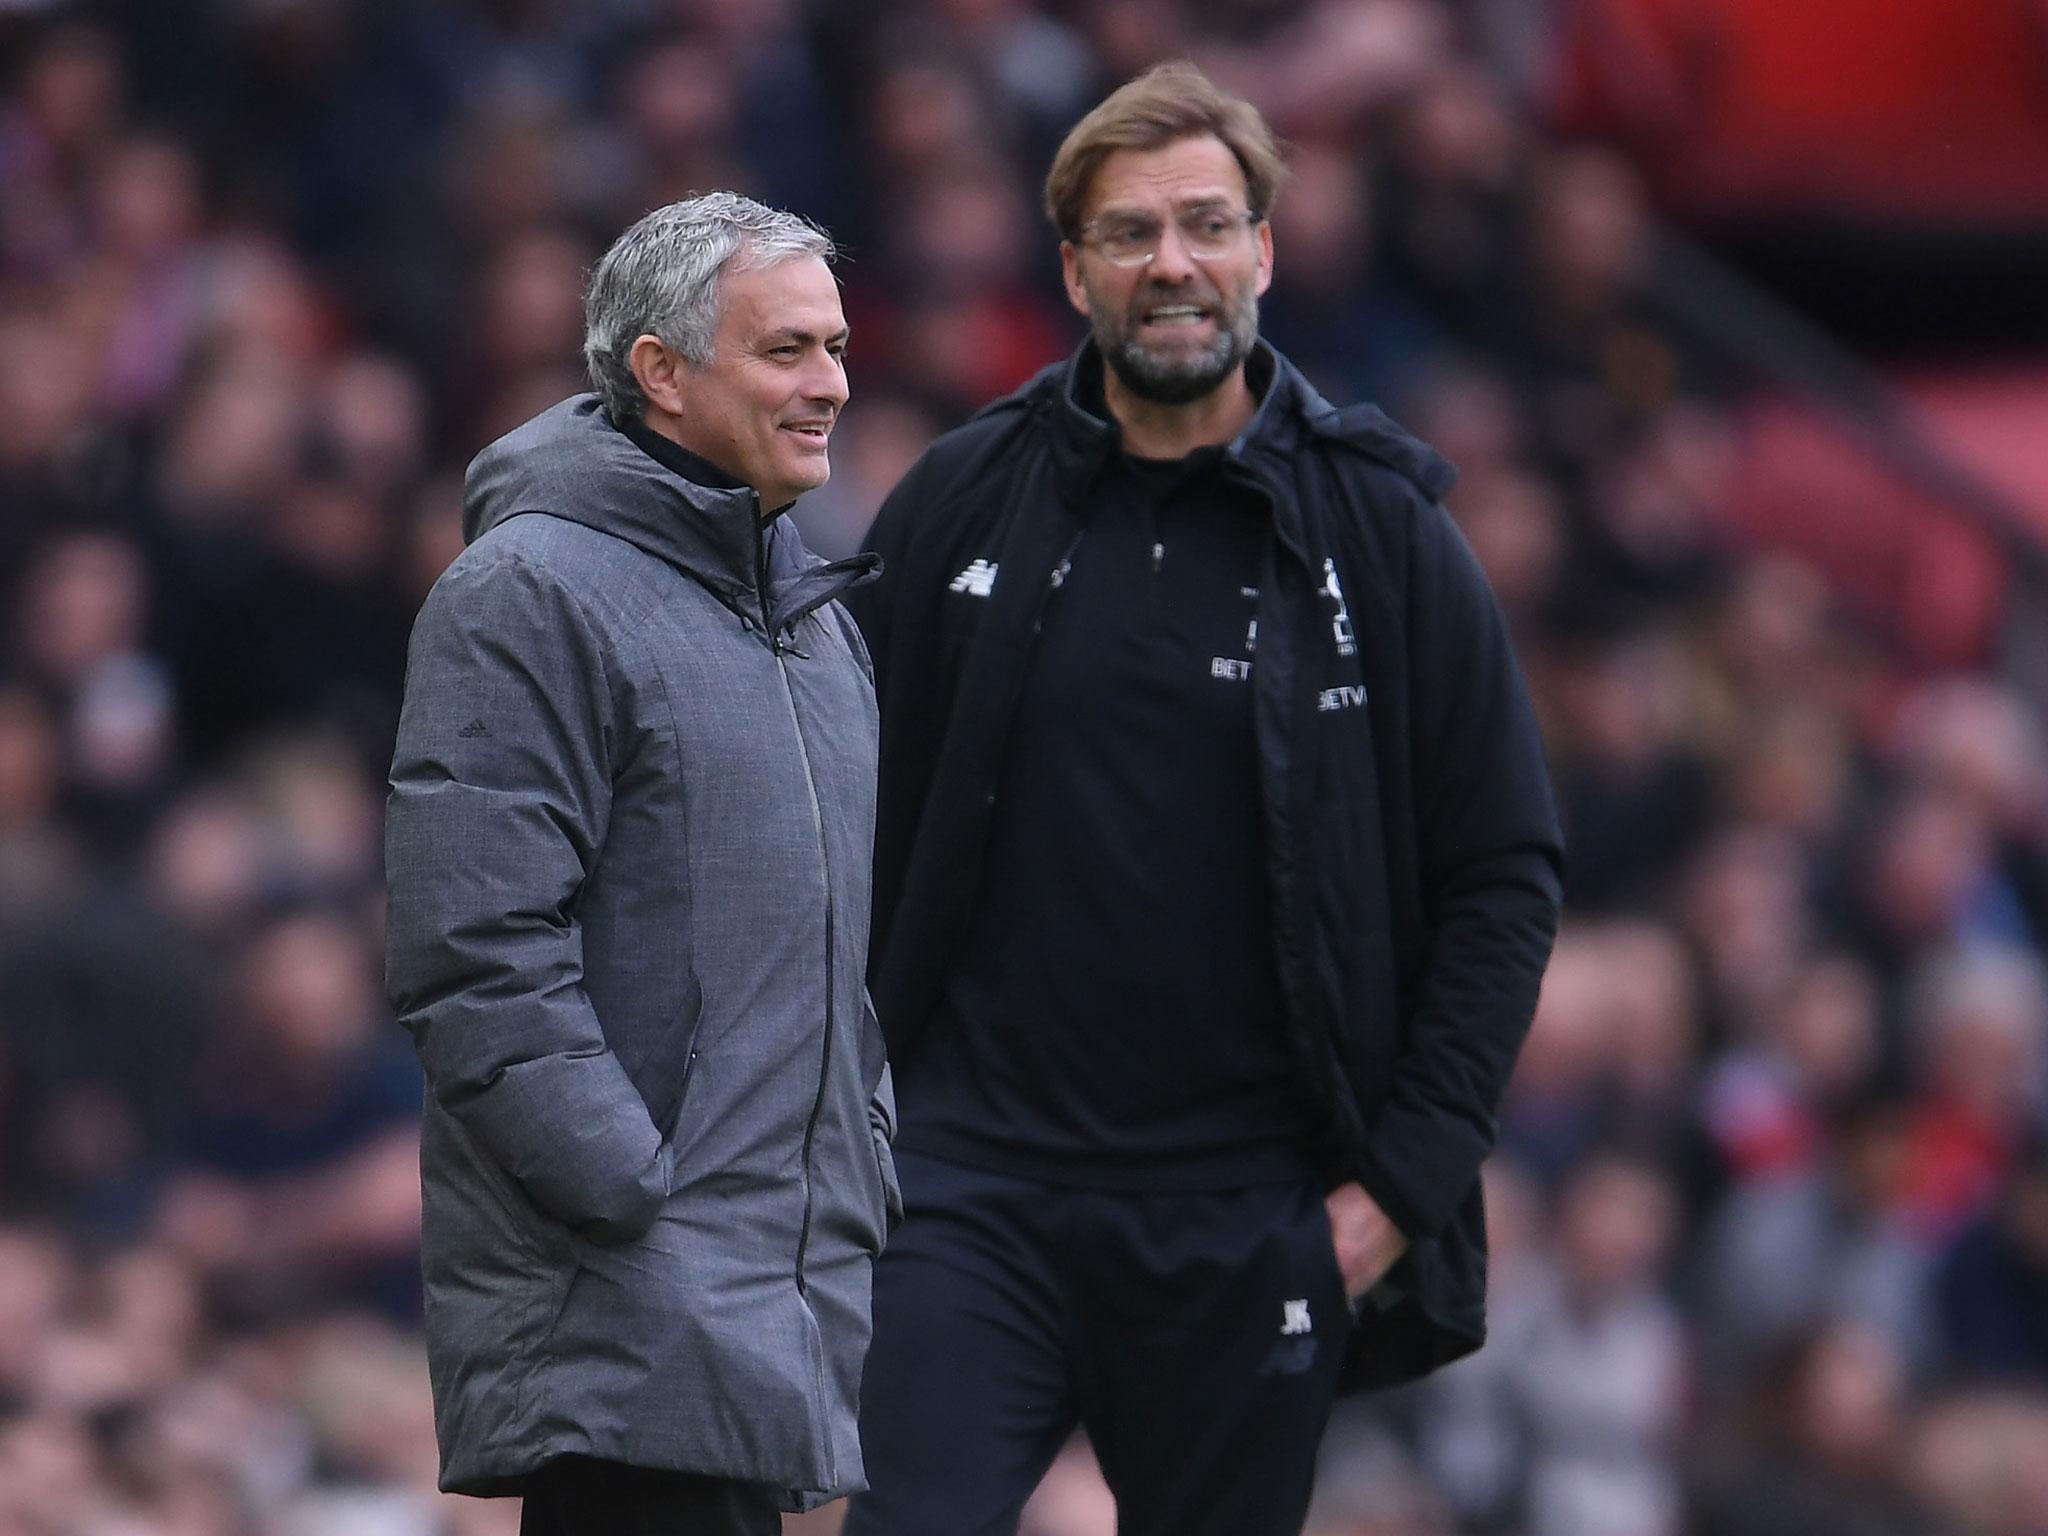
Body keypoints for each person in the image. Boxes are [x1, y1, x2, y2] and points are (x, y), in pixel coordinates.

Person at [843, 63, 1564, 1536]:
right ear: (1073, 269)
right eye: (1128, 232)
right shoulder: (960, 499)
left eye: (1205, 224)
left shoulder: (1387, 530)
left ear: (1264, 252)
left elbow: (1505, 874)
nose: (1171, 262)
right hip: (968, 1194)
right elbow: (822, 810)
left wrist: (1398, 1192)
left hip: (1251, 1218)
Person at [384, 193, 898, 1536]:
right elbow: (476, 953)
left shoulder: (818, 626)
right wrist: (635, 1198)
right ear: (661, 372)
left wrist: (860, 1162)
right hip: (635, 1303)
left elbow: (836, 962)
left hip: (780, 1299)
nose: (831, 385)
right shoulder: (526, 593)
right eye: (787, 350)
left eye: (837, 348)